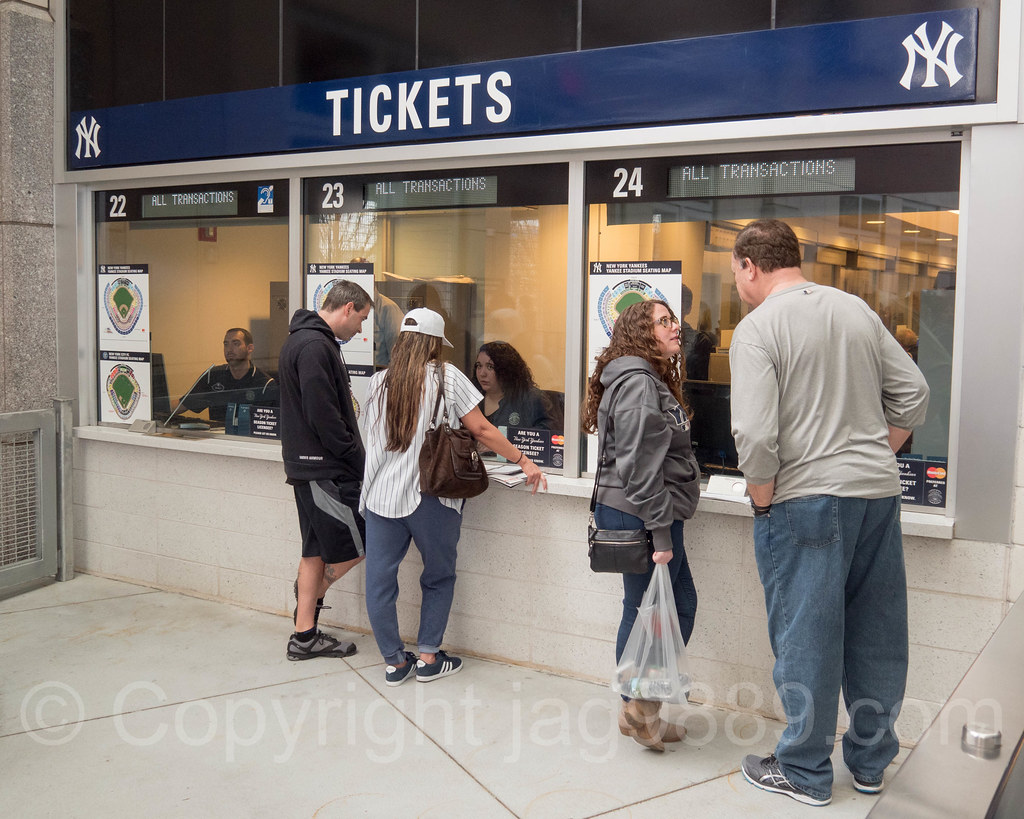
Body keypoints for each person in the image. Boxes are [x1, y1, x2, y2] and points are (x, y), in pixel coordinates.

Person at [728, 219, 929, 807]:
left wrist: (762, 498)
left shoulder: (758, 328)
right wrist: (872, 453)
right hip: (876, 495)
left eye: (736, 272)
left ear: (749, 265)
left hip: (805, 501)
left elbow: (756, 434)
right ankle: (869, 764)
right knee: (877, 631)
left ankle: (805, 771)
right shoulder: (856, 312)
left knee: (806, 635)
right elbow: (914, 393)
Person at [361, 308, 547, 685]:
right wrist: (524, 460)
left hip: (381, 498)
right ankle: (429, 657)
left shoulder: (378, 381)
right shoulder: (447, 377)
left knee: (379, 582)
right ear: (434, 344)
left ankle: (395, 663)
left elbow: (371, 438)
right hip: (432, 495)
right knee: (438, 576)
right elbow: (480, 428)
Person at [581, 299, 701, 752]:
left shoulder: (643, 379)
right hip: (647, 515)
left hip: (650, 513)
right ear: (641, 333)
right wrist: (663, 531)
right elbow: (638, 467)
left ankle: (641, 709)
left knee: (660, 608)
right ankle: (641, 706)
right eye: (664, 322)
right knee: (650, 613)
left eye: (674, 320)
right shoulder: (637, 384)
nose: (676, 328)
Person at [278, 280, 373, 661]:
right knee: (365, 537)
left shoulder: (305, 340)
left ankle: (304, 637)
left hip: (311, 467)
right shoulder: (315, 346)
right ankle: (312, 593)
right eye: (362, 319)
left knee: (314, 549)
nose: (361, 329)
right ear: (347, 308)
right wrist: (357, 459)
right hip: (323, 469)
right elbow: (324, 417)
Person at [181, 328, 278, 423]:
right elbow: (183, 404)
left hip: (249, 437)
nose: (229, 349)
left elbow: (272, 424)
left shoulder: (265, 383)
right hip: (217, 437)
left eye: (236, 344)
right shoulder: (213, 375)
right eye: (226, 344)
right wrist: (165, 411)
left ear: (250, 348)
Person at [472, 341, 555, 429]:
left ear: (506, 370)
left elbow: (547, 437)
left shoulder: (531, 399)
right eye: (479, 366)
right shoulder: (472, 398)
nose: (482, 373)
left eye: (490, 367)